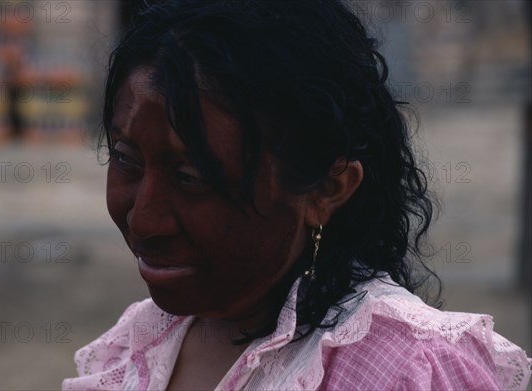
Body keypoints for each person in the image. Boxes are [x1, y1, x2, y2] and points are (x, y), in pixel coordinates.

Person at [63, 1, 531, 390]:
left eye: (192, 177)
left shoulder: (409, 368)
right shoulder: (140, 343)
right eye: (127, 159)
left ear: (327, 189)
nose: (146, 220)